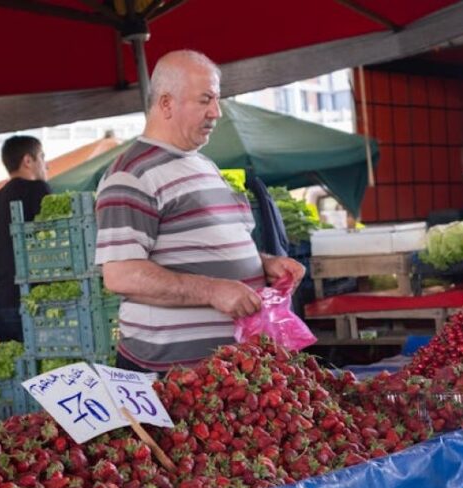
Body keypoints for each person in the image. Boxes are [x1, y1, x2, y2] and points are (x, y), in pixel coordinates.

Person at [94, 50, 305, 373]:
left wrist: (266, 264)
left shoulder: (204, 165)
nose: (216, 112)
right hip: (169, 376)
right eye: (205, 100)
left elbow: (218, 243)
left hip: (228, 371)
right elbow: (121, 274)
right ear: (166, 103)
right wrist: (212, 290)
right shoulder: (131, 175)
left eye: (217, 100)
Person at [0, 135, 51, 342]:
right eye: (42, 157)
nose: (46, 165)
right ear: (28, 161)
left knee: (20, 372)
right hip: (34, 306)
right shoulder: (39, 190)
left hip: (2, 308)